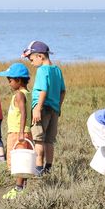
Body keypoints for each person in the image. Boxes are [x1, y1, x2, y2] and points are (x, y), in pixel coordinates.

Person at [22, 41, 65, 175]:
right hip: (54, 110)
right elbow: (63, 91)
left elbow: (43, 90)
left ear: (40, 56)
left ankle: (38, 168)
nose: (31, 63)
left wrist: (37, 109)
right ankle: (48, 168)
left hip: (42, 109)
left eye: (31, 59)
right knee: (49, 141)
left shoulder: (42, 70)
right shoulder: (57, 70)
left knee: (38, 139)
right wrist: (58, 107)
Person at [0, 63, 33, 199]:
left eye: (10, 80)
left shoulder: (19, 95)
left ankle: (18, 189)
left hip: (18, 133)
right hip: (23, 131)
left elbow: (24, 113)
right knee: (23, 160)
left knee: (19, 161)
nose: (9, 83)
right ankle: (23, 187)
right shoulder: (28, 93)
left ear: (18, 80)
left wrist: (21, 133)